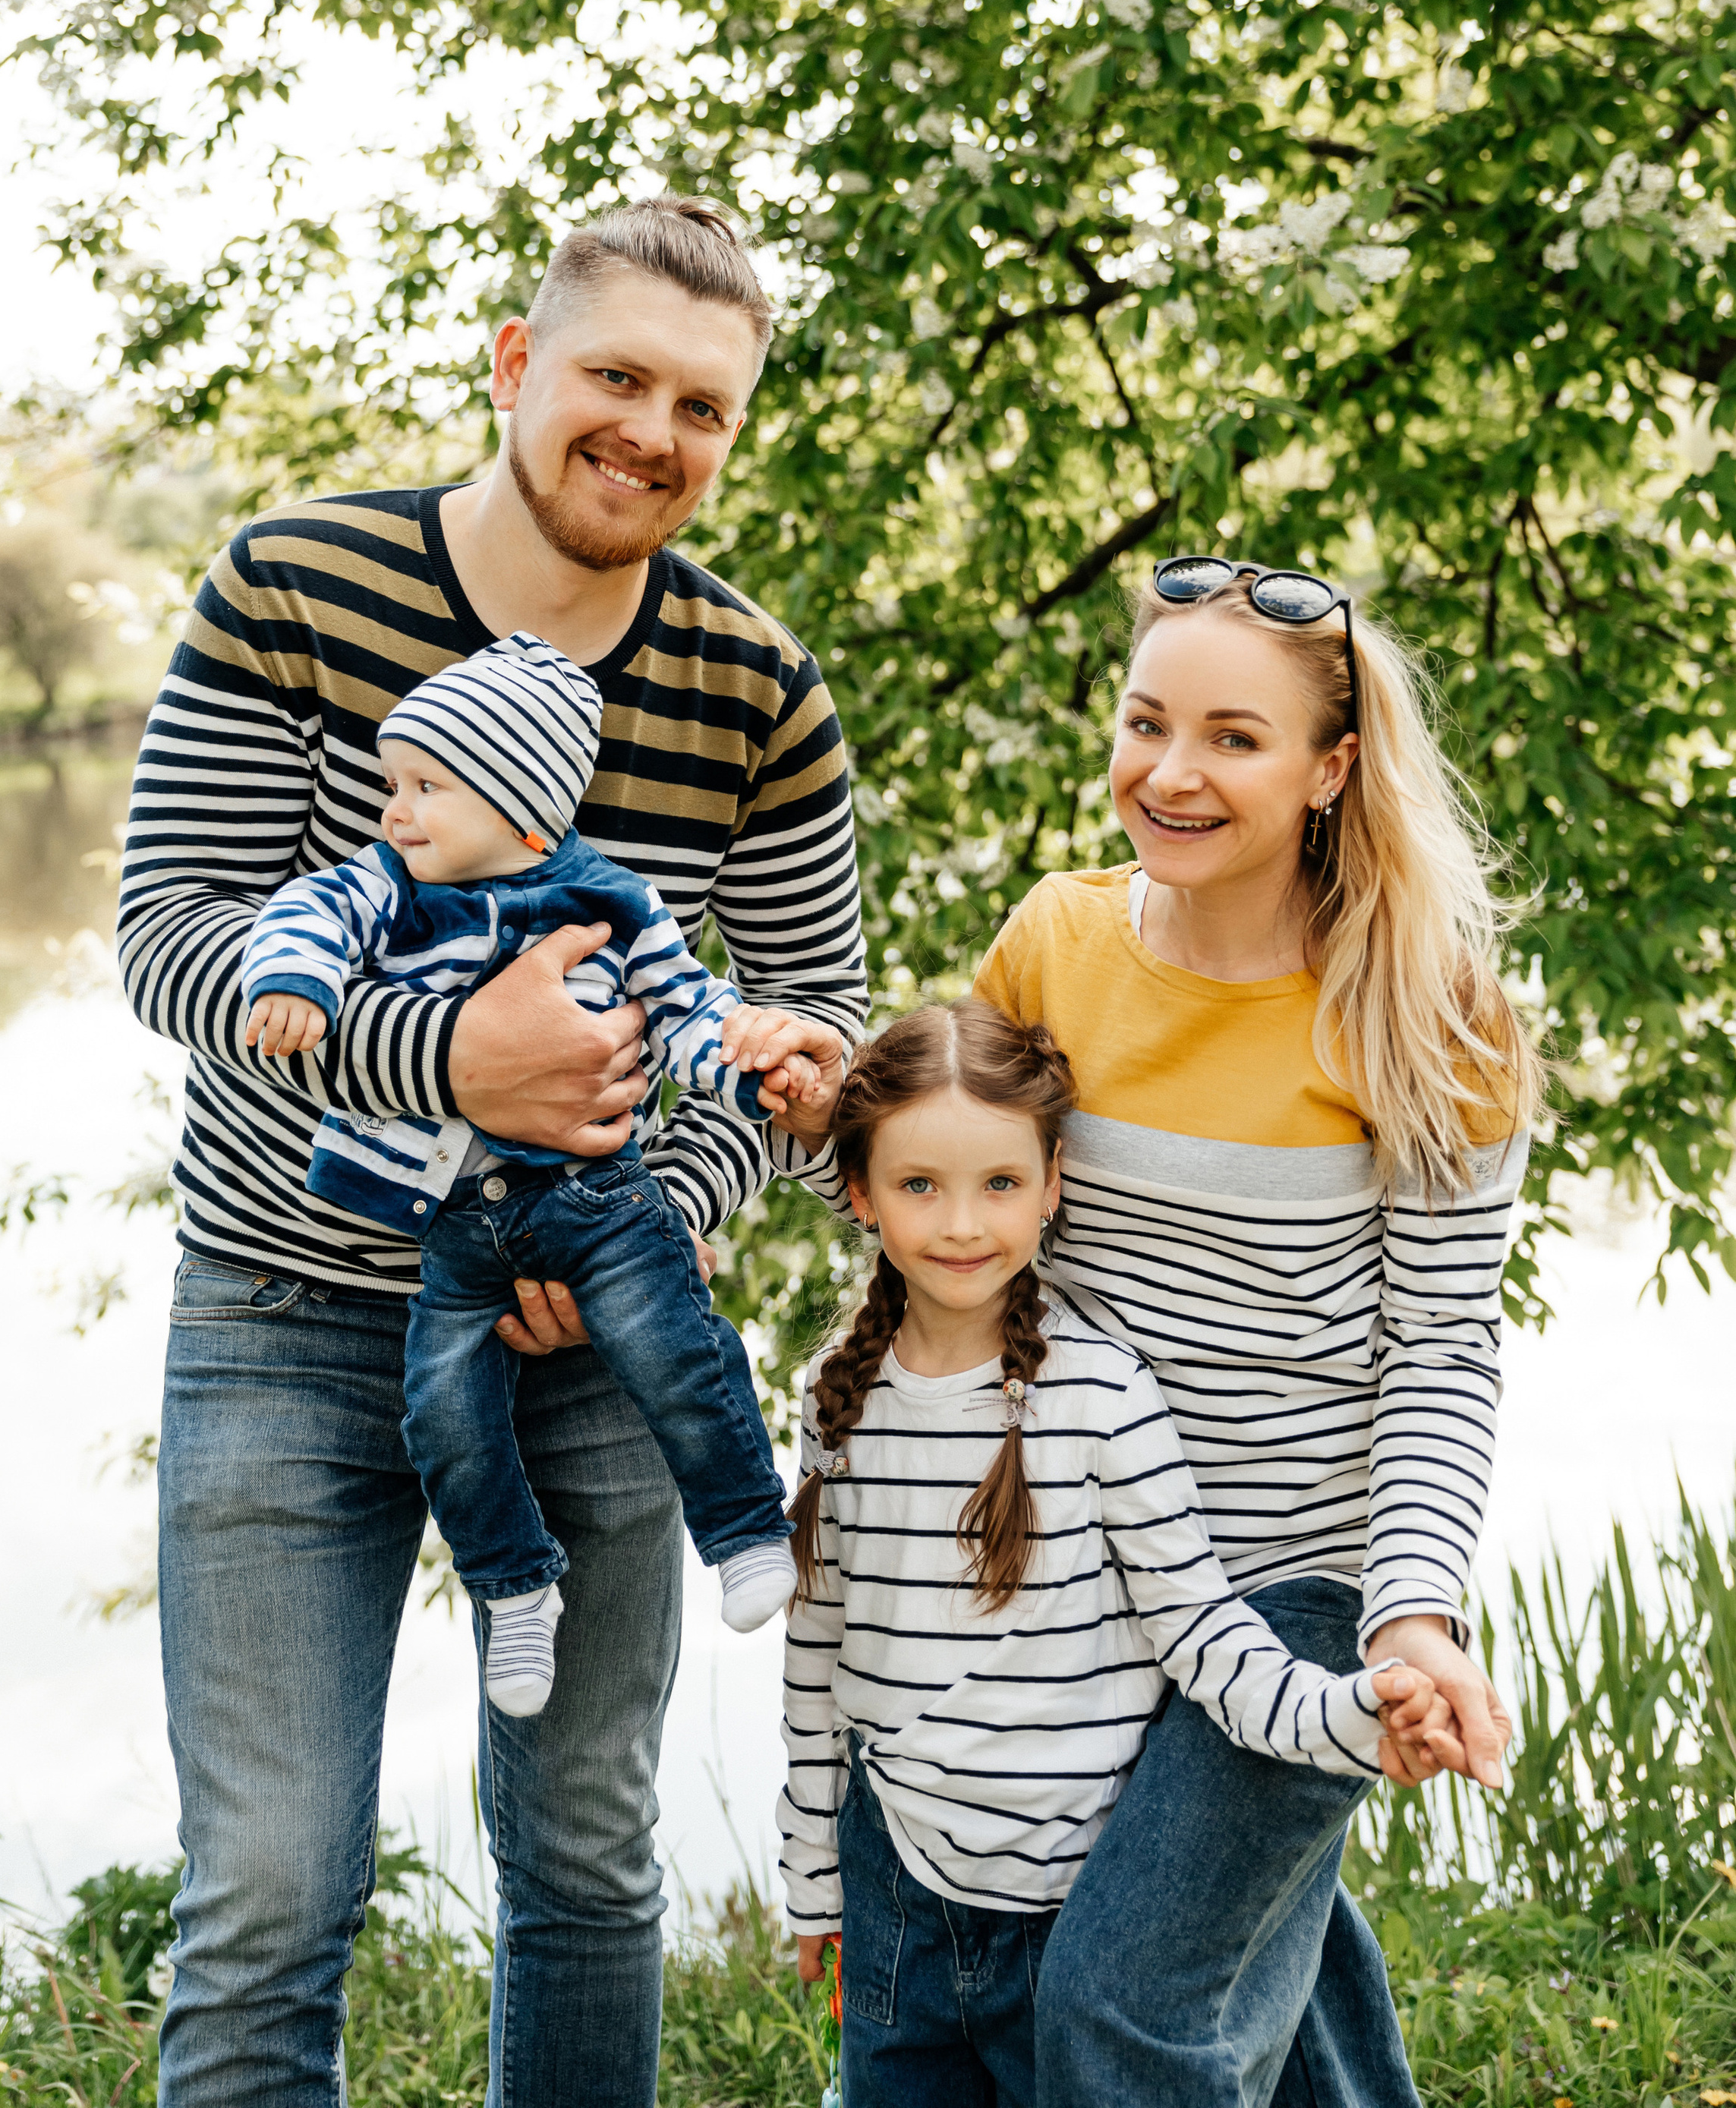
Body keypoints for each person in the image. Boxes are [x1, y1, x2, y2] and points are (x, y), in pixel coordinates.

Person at [118, 198, 868, 2108]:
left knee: (586, 1864)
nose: (652, 433)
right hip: (288, 1319)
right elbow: (174, 940)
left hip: (589, 1349)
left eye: (702, 407)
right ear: (518, 364)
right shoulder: (297, 586)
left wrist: (641, 1222)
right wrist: (454, 1057)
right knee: (269, 1889)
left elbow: (811, 1032)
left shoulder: (757, 692)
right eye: (617, 376)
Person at [969, 556, 1543, 2106]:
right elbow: (954, 1217)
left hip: (1295, 1584)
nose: (1170, 772)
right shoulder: (1053, 945)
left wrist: (1407, 1617)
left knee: (1122, 2005)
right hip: (1087, 1573)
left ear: (1328, 769)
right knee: (1242, 1956)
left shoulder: (1429, 1011)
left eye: (1232, 737)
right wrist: (814, 1113)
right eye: (1146, 721)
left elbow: (1441, 1354)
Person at [777, 1000, 1457, 2108]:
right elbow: (816, 1663)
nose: (962, 1224)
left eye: (1001, 1183)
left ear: (1054, 1184)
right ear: (860, 1192)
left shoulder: (1103, 1395)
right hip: (900, 1896)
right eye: (920, 1185)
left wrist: (1346, 1713)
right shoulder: (836, 1404)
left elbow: (1203, 1634)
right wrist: (814, 1878)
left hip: (1070, 1905)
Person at [241, 626, 841, 1713]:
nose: (395, 812)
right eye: (394, 785)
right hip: (455, 1225)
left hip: (600, 1200)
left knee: (672, 1344)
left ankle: (748, 1529)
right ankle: (515, 1586)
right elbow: (305, 911)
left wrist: (755, 1076)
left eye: (426, 787)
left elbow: (691, 1010)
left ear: (523, 809)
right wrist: (299, 983)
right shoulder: (390, 886)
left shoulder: (615, 901)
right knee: (443, 1409)